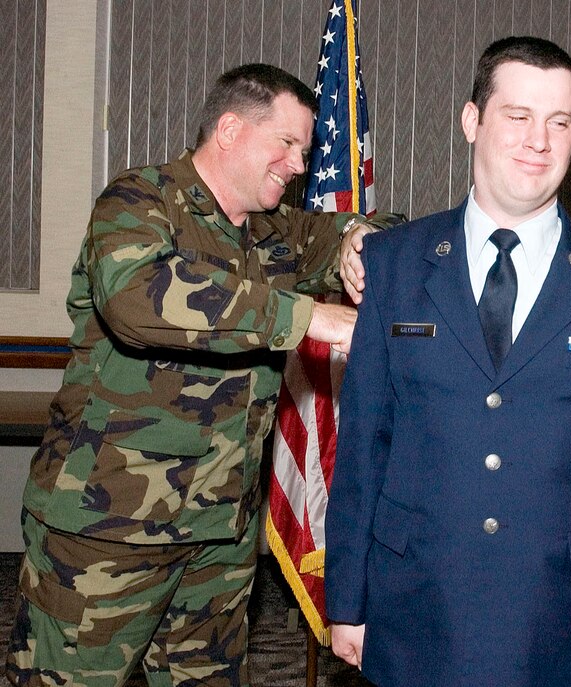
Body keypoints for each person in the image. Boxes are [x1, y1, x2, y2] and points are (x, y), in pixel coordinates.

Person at [5, 64, 399, 687]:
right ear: (230, 128)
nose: (300, 165)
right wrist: (306, 316)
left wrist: (360, 237)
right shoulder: (139, 201)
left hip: (219, 531)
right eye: (289, 144)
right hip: (108, 529)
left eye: (306, 150)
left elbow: (379, 232)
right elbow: (136, 296)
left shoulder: (277, 232)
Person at [326, 36, 571, 687]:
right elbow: (365, 442)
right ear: (472, 120)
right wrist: (347, 596)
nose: (539, 140)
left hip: (564, 619)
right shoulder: (394, 265)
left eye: (560, 121)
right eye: (518, 116)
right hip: (416, 607)